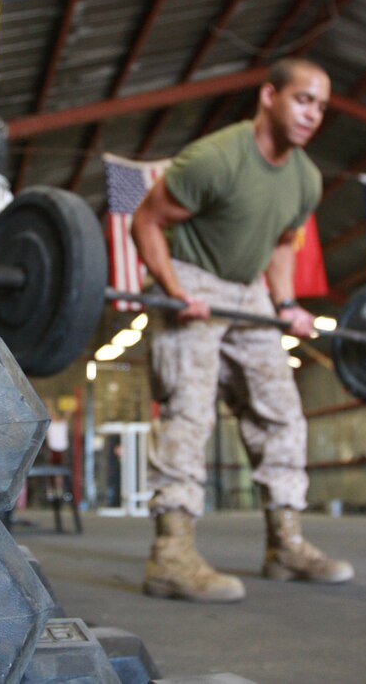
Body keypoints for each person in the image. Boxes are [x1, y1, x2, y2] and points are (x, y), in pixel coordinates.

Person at [130, 56, 352, 604]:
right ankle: (171, 555)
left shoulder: (305, 179)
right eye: (303, 100)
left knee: (281, 412)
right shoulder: (216, 157)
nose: (313, 114)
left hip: (248, 288)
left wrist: (286, 303)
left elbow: (282, 242)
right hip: (190, 275)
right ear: (270, 96)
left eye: (322, 107)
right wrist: (173, 290)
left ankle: (286, 545)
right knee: (190, 409)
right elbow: (146, 220)